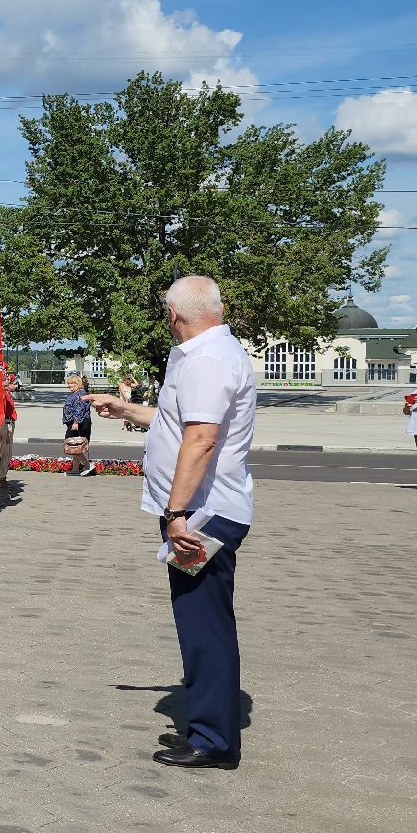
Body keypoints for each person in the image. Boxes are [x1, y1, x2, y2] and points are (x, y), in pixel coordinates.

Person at [86, 275, 256, 771]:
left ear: (174, 315)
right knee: (200, 622)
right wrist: (125, 409)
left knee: (204, 626)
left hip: (202, 515)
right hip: (201, 510)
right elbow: (174, 421)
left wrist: (177, 513)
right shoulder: (207, 354)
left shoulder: (204, 359)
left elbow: (200, 439)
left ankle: (213, 738)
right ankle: (209, 721)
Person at [63, 374, 95, 477]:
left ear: (78, 384)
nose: (69, 385)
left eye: (71, 383)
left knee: (71, 445)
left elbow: (80, 409)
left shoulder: (81, 393)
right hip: (75, 422)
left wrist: (76, 422)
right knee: (75, 445)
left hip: (79, 422)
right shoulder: (76, 393)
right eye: (68, 383)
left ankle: (88, 465)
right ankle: (75, 469)